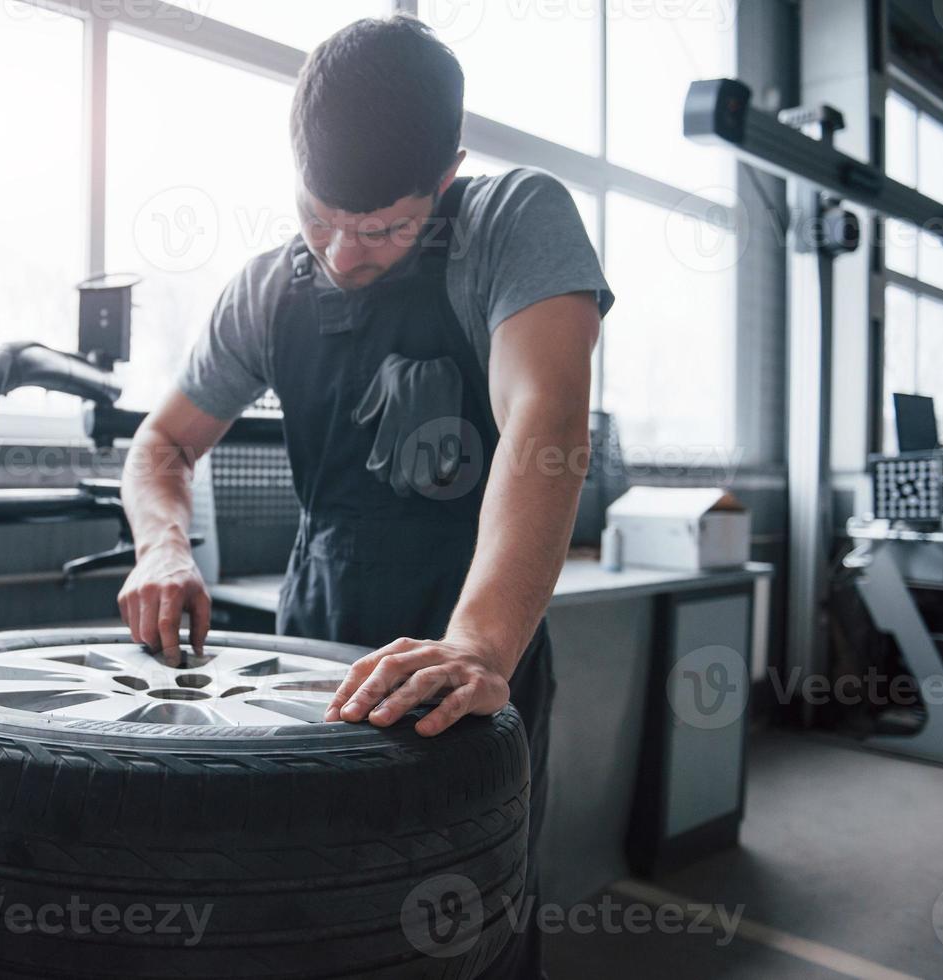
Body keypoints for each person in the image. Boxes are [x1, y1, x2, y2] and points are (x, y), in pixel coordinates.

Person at [118, 15, 613, 977]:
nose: (343, 255)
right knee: (305, 902)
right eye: (318, 218)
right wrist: (162, 548)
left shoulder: (514, 220)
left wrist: (476, 646)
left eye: (382, 226)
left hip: (475, 630)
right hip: (317, 633)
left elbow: (543, 428)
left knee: (468, 911)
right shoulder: (264, 292)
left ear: (447, 171)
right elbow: (163, 442)